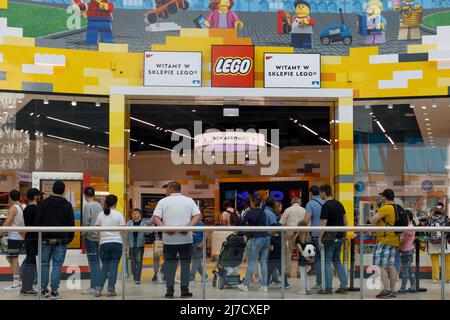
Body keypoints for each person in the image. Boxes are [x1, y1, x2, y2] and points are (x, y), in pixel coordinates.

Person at [152, 181, 202, 298]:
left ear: (170, 189)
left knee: (170, 264)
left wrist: (165, 229)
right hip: (186, 239)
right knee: (185, 264)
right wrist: (188, 228)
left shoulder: (163, 201)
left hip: (169, 240)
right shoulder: (189, 200)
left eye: (166, 189)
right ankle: (185, 290)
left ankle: (170, 291)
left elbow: (156, 217)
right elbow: (198, 215)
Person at [35, 181, 75, 299]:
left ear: (52, 189)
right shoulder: (67, 205)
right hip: (61, 239)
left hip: (45, 239)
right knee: (57, 265)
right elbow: (71, 224)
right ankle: (54, 291)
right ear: (63, 191)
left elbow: (38, 221)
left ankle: (43, 289)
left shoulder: (44, 203)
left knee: (44, 263)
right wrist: (69, 238)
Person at [368, 189, 400, 298]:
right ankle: (392, 289)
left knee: (380, 265)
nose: (380, 198)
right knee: (391, 265)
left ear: (385, 197)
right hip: (394, 239)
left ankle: (386, 289)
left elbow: (372, 220)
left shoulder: (386, 208)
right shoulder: (396, 207)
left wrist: (371, 215)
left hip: (384, 240)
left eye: (381, 196)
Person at [317, 184, 348, 295]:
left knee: (326, 262)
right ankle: (344, 286)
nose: (320, 194)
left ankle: (328, 288)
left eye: (320, 192)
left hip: (329, 238)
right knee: (337, 261)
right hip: (339, 237)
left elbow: (323, 223)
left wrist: (320, 238)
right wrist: (344, 234)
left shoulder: (326, 206)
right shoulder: (339, 204)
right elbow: (345, 220)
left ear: (324, 192)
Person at [238, 194, 271, 293]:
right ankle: (264, 286)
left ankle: (245, 285)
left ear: (252, 202)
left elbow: (241, 225)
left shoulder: (249, 213)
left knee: (251, 262)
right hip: (266, 238)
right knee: (263, 262)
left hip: (256, 239)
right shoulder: (264, 213)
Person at [95, 195, 125, 297]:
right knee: (113, 268)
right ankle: (111, 290)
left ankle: (98, 289)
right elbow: (122, 232)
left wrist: (99, 243)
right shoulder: (119, 215)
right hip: (117, 243)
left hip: (104, 244)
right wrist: (125, 245)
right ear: (115, 203)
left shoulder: (100, 215)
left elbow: (98, 232)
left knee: (104, 268)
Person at [0, 189, 25, 292]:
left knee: (13, 259)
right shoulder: (24, 206)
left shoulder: (13, 208)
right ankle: (17, 280)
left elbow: (7, 223)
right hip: (20, 236)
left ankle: (16, 283)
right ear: (19, 196)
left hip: (14, 237)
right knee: (11, 258)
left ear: (10, 197)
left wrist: (0, 232)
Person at [81, 186, 103, 295]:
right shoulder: (99, 205)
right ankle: (97, 286)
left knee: (93, 263)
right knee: (98, 262)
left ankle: (94, 287)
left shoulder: (87, 206)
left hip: (90, 237)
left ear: (85, 195)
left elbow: (86, 222)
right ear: (93, 194)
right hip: (98, 237)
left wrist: (83, 234)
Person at [20, 188, 41, 296]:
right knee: (31, 263)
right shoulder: (37, 209)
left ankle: (26, 286)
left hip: (29, 238)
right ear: (35, 196)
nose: (40, 197)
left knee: (29, 261)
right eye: (39, 195)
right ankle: (27, 287)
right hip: (35, 238)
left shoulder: (26, 209)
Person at [303, 185, 325, 290]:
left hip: (316, 235)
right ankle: (327, 282)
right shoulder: (325, 202)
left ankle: (319, 283)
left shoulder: (310, 203)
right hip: (326, 234)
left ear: (311, 193)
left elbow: (306, 220)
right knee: (327, 260)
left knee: (317, 260)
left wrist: (299, 227)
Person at [280, 197, 306, 279]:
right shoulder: (304, 210)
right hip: (301, 234)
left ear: (292, 202)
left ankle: (287, 272)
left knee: (288, 253)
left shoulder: (288, 210)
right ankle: (299, 272)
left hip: (289, 234)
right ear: (299, 202)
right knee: (301, 253)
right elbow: (307, 223)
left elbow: (281, 223)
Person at [425, 202, 450, 284]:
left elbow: (426, 230)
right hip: (443, 241)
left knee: (435, 260)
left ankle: (435, 278)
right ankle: (448, 278)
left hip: (432, 242)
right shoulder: (445, 218)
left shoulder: (429, 218)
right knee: (447, 260)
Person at [397, 210, 416, 294]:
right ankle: (413, 287)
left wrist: (399, 248)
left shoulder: (409, 227)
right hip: (408, 251)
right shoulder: (409, 226)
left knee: (405, 271)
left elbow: (405, 240)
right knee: (409, 270)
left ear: (408, 217)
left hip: (406, 251)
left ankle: (402, 289)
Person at [126, 208, 147, 285]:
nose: (135, 215)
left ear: (140, 215)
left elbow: (148, 233)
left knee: (139, 261)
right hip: (131, 244)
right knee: (132, 261)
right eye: (133, 213)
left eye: (137, 213)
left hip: (140, 244)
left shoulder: (144, 223)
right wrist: (125, 245)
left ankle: (138, 279)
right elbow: (125, 234)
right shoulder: (129, 223)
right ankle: (135, 277)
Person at [267, 223, 290, 289]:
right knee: (282, 272)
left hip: (272, 258)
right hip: (280, 257)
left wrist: (267, 247)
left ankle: (265, 283)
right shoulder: (282, 237)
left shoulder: (271, 239)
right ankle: (286, 284)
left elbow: (271, 249)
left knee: (269, 272)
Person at [295, 220, 314, 295]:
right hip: (309, 257)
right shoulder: (309, 238)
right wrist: (310, 258)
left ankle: (303, 290)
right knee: (305, 274)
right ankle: (308, 288)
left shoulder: (298, 238)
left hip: (303, 257)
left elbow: (300, 249)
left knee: (302, 274)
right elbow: (312, 249)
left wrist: (305, 257)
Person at [190, 216, 208, 283]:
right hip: (192, 244)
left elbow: (205, 234)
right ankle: (205, 276)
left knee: (196, 260)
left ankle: (191, 277)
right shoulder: (190, 223)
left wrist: (202, 243)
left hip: (198, 244)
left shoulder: (200, 223)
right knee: (197, 262)